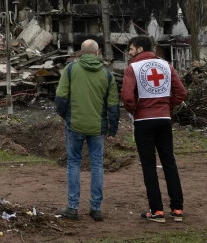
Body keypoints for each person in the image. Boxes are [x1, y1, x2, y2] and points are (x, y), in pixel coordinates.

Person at [121, 36, 187, 223]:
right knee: (169, 163)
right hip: (164, 119)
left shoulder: (132, 68)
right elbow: (181, 93)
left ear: (140, 49)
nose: (129, 53)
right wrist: (166, 106)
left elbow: (127, 97)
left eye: (131, 49)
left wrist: (135, 109)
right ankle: (177, 209)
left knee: (149, 166)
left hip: (143, 121)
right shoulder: (167, 66)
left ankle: (156, 211)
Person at [55, 39, 119, 222]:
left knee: (73, 163)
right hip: (98, 127)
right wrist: (112, 128)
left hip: (74, 125)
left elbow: (61, 98)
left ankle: (73, 207)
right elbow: (113, 104)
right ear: (97, 53)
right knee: (97, 164)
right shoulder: (107, 75)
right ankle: (96, 208)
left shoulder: (70, 70)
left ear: (81, 53)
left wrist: (65, 116)